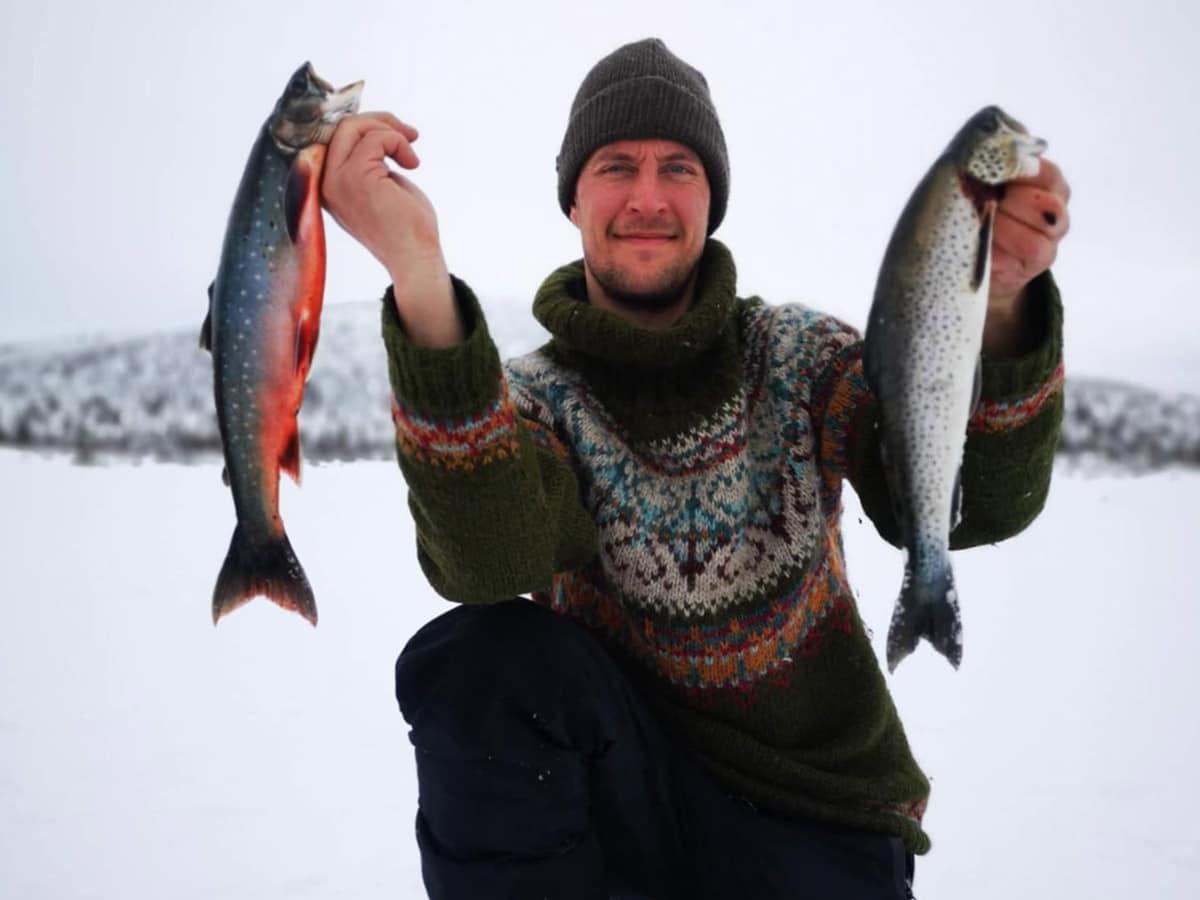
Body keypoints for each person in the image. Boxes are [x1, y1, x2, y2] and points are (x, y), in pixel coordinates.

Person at [321, 38, 1069, 900]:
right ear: (573, 198)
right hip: (621, 797)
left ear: (713, 199)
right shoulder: (533, 399)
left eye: (678, 167)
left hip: (816, 807)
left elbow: (980, 507)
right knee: (477, 661)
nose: (647, 196)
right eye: (616, 166)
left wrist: (1003, 301)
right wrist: (418, 271)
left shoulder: (800, 355)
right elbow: (488, 561)